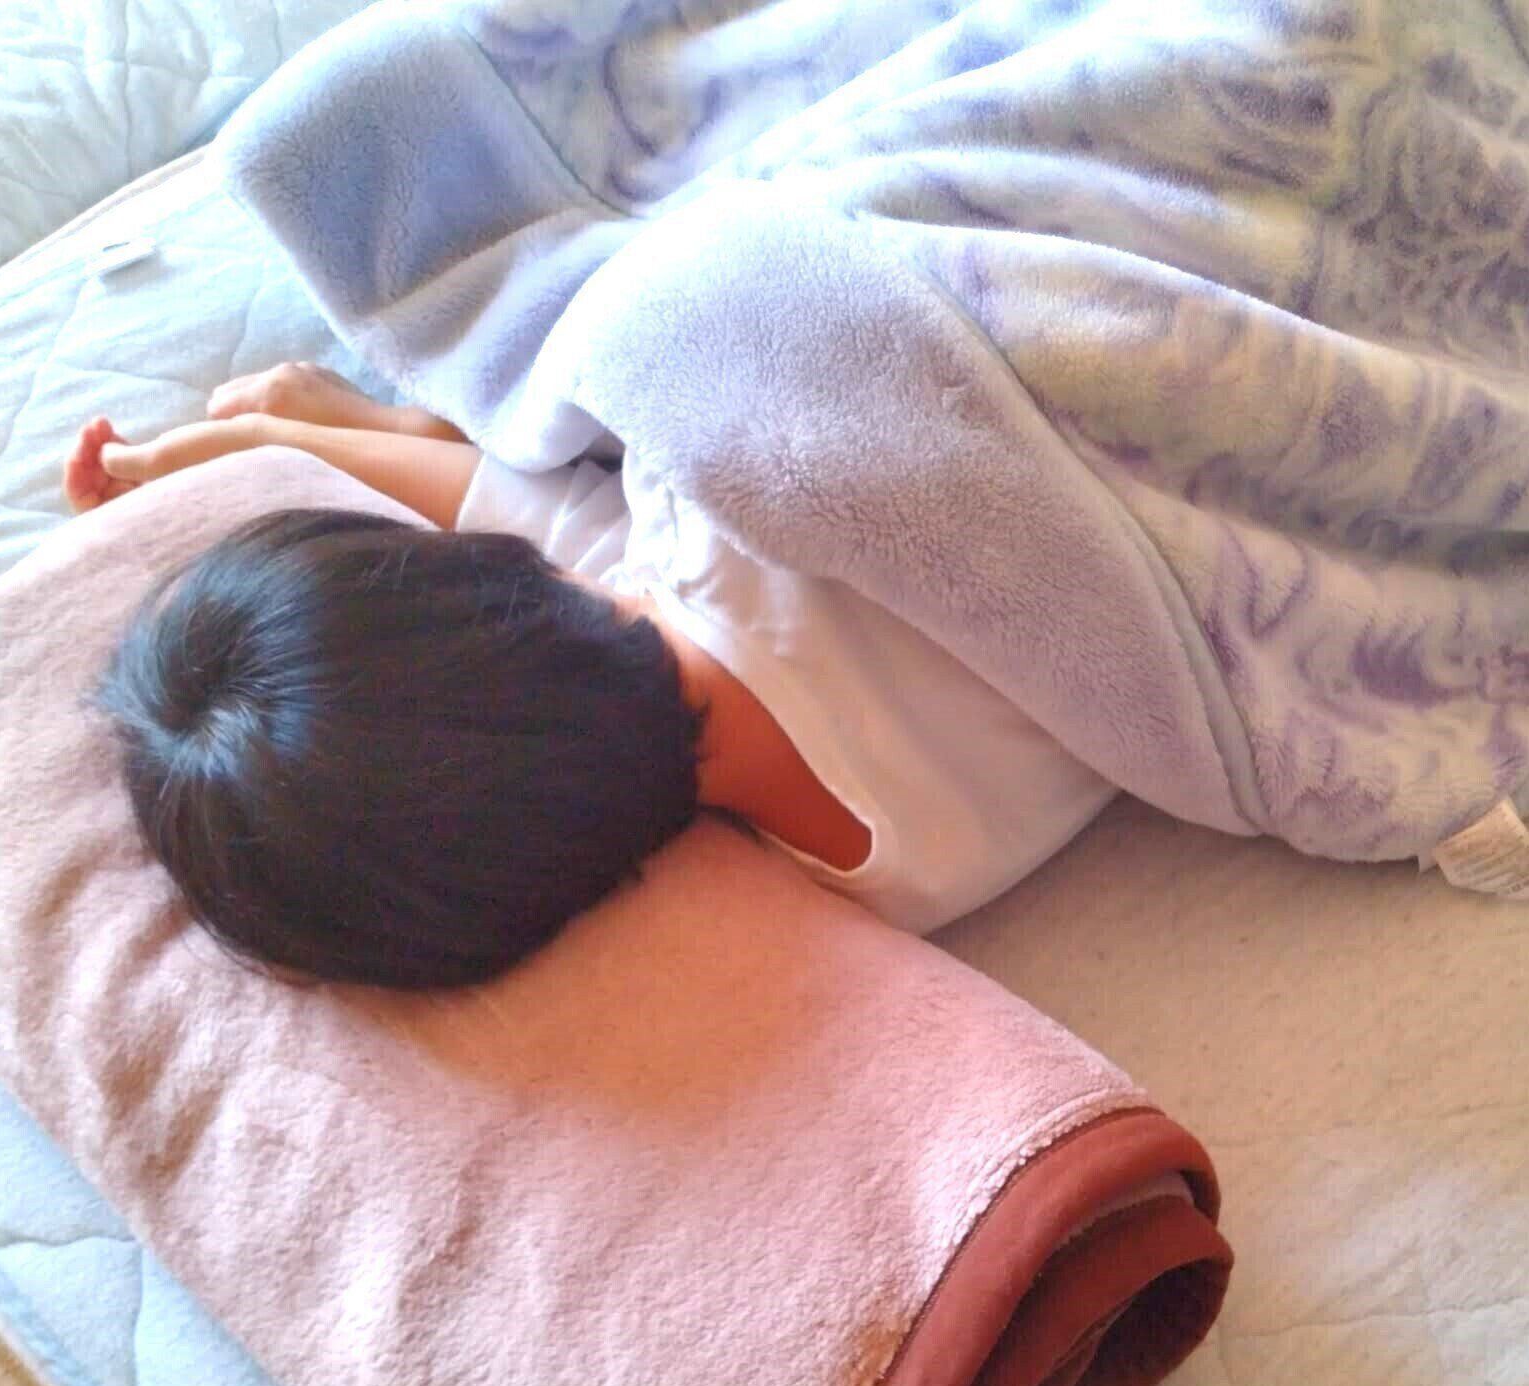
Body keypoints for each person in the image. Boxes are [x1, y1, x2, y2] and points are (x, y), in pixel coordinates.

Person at [64, 365, 1114, 988]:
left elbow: (572, 554)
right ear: (475, 581)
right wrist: (270, 443)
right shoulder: (722, 514)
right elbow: (569, 541)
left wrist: (284, 438)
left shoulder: (884, 882)